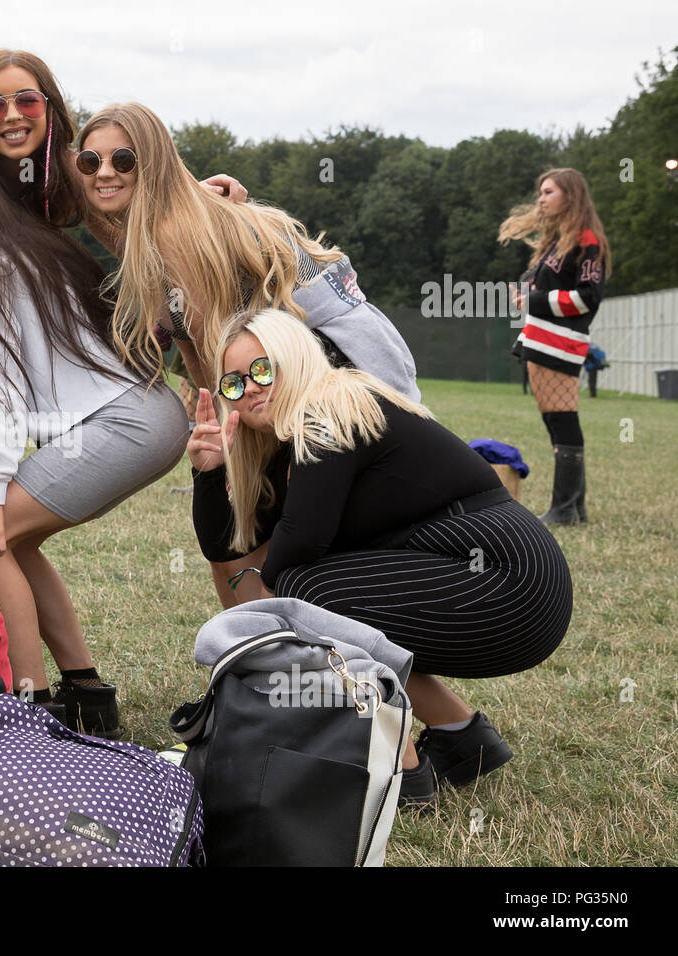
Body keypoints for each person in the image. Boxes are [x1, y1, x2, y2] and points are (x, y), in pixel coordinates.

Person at [190, 309, 573, 809]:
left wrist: (267, 629)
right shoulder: (286, 443)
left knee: (309, 593)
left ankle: (402, 770)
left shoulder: (331, 405)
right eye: (235, 384)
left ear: (294, 357)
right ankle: (463, 736)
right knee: (320, 594)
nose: (252, 389)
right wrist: (209, 472)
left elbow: (295, 549)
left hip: (512, 581)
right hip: (486, 575)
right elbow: (228, 548)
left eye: (263, 370)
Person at [0, 142, 190, 735]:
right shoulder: (12, 249)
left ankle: (30, 709)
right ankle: (86, 692)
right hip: (146, 414)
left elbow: (1, 394)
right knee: (16, 542)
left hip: (124, 421)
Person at [78, 102, 419, 607]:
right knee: (246, 515)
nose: (104, 172)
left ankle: (277, 654)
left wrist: (230, 452)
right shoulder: (158, 225)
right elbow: (197, 350)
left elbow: (220, 349)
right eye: (90, 162)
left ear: (153, 162)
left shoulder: (178, 230)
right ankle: (264, 654)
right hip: (299, 359)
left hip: (340, 363)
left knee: (292, 529)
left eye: (123, 160)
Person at [0, 49, 245, 240]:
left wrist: (204, 198)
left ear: (49, 108)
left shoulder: (73, 170)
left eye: (27, 101)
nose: (11, 116)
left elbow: (136, 245)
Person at [500, 168, 610, 525]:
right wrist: (526, 297)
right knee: (555, 421)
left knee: (562, 421)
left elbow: (587, 296)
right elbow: (543, 289)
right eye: (540, 192)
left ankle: (565, 509)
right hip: (542, 337)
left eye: (549, 192)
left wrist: (535, 300)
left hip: (559, 342)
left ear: (570, 196)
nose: (541, 198)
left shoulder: (586, 239)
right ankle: (573, 507)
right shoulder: (557, 241)